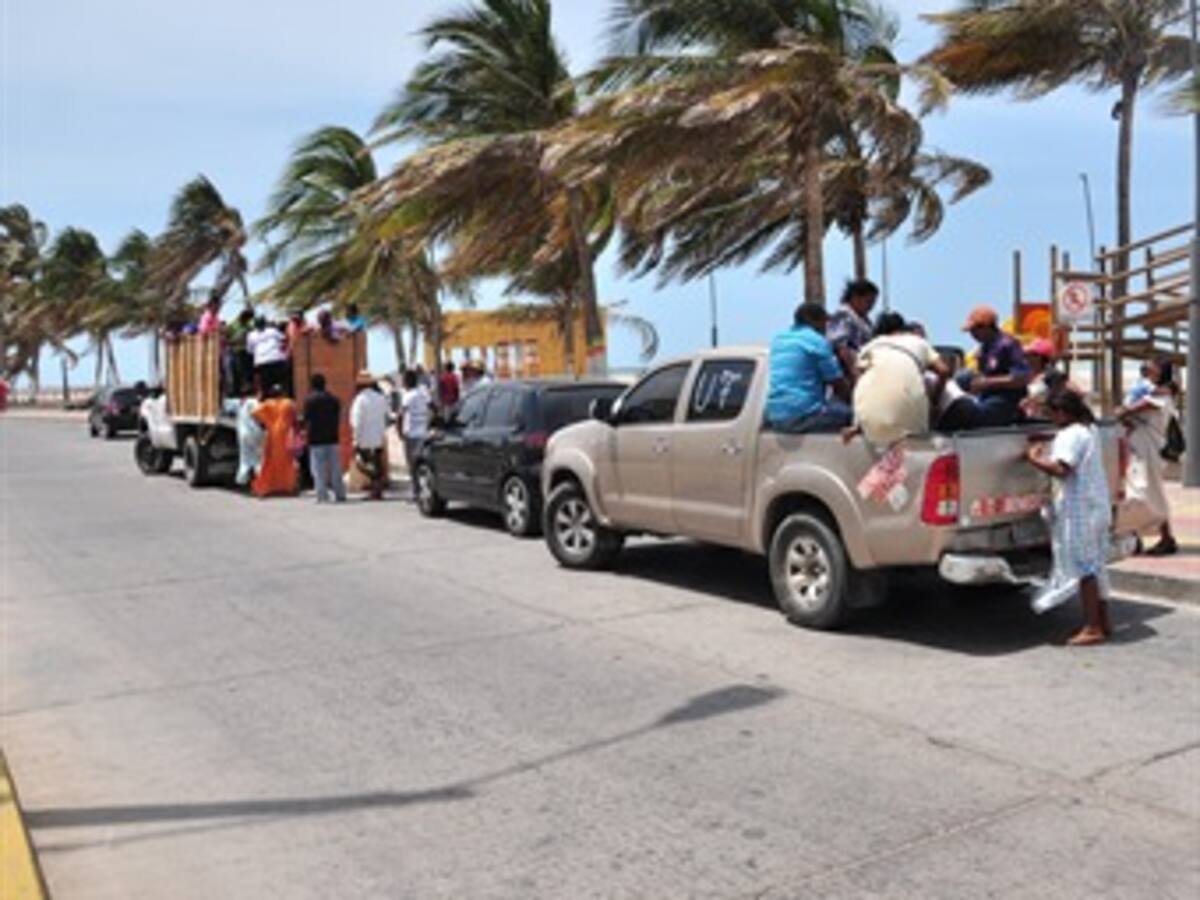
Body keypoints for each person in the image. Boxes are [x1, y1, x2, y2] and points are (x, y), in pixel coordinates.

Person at [1025, 390, 1113, 647]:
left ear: (1062, 413)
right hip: (1095, 505)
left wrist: (1034, 459)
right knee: (1096, 566)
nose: (1049, 419)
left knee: (1083, 566)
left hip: (1080, 509)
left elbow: (1062, 469)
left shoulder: (1070, 434)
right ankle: (1102, 621)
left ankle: (1093, 627)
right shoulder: (1088, 430)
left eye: (1050, 414)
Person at [842, 312, 949, 447]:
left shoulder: (870, 346)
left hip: (869, 417)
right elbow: (944, 371)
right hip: (910, 416)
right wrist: (934, 403)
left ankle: (858, 427)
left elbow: (859, 380)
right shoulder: (918, 342)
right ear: (903, 329)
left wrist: (856, 423)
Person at [1116, 356, 1179, 556]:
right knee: (1135, 494)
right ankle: (1135, 537)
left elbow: (1129, 410)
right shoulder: (1146, 389)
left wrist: (1124, 412)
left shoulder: (1160, 395)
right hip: (1138, 447)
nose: (1146, 365)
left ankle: (1166, 538)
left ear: (1160, 370)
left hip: (1149, 449)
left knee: (1148, 493)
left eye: (1152, 364)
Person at [766, 303, 852, 433]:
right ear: (816, 322)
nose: (826, 328)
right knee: (851, 416)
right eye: (825, 323)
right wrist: (855, 401)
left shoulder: (779, 340)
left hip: (776, 415)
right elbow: (838, 384)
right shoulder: (817, 341)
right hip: (804, 415)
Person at [956, 305, 1031, 428]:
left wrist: (988, 382)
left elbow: (1022, 377)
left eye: (974, 330)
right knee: (962, 378)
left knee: (976, 418)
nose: (972, 335)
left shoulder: (1007, 344)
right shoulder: (984, 348)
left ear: (986, 327)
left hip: (1006, 400)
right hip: (986, 397)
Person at [301, 372, 346, 504]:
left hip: (316, 439)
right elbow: (338, 416)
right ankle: (340, 493)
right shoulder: (334, 399)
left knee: (318, 469)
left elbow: (306, 419)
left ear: (312, 385)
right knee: (335, 468)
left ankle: (322, 495)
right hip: (332, 437)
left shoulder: (309, 400)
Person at [251, 384, 299, 498]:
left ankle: (267, 487)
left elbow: (254, 413)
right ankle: (287, 486)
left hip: (272, 435)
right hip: (286, 435)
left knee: (269, 462)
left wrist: (265, 422)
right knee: (287, 462)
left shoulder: (268, 404)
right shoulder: (288, 403)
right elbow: (295, 417)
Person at [827, 279, 880, 380]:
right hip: (848, 374)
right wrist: (854, 373)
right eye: (868, 302)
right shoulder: (844, 315)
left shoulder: (864, 320)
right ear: (855, 298)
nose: (871, 307)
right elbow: (841, 348)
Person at [350, 371, 390, 500]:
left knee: (362, 464)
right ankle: (377, 489)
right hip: (378, 437)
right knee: (376, 464)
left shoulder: (359, 400)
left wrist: (355, 440)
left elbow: (357, 421)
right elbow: (387, 416)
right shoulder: (381, 398)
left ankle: (375, 488)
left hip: (364, 439)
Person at [398, 369, 432, 500]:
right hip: (423, 433)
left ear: (407, 381)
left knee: (412, 464)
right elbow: (433, 407)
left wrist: (399, 431)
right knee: (422, 463)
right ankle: (423, 490)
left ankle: (415, 491)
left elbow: (401, 415)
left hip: (411, 434)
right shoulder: (424, 393)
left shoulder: (408, 396)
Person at [1019, 337, 1069, 420]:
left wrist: (1037, 402)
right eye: (1025, 355)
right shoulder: (1023, 375)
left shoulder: (1053, 375)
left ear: (1041, 357)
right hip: (1026, 420)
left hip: (1047, 420)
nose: (1027, 358)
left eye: (1032, 355)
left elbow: (1060, 399)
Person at [247, 316, 288, 396]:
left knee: (264, 385)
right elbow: (284, 339)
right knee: (280, 382)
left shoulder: (251, 335)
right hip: (276, 360)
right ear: (265, 323)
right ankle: (283, 396)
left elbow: (250, 351)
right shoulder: (272, 331)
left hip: (261, 362)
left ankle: (263, 396)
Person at [235, 393, 265, 488]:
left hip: (243, 435)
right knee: (258, 459)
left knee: (245, 458)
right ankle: (260, 482)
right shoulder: (254, 402)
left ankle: (242, 480)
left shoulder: (242, 405)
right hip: (254, 433)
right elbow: (259, 415)